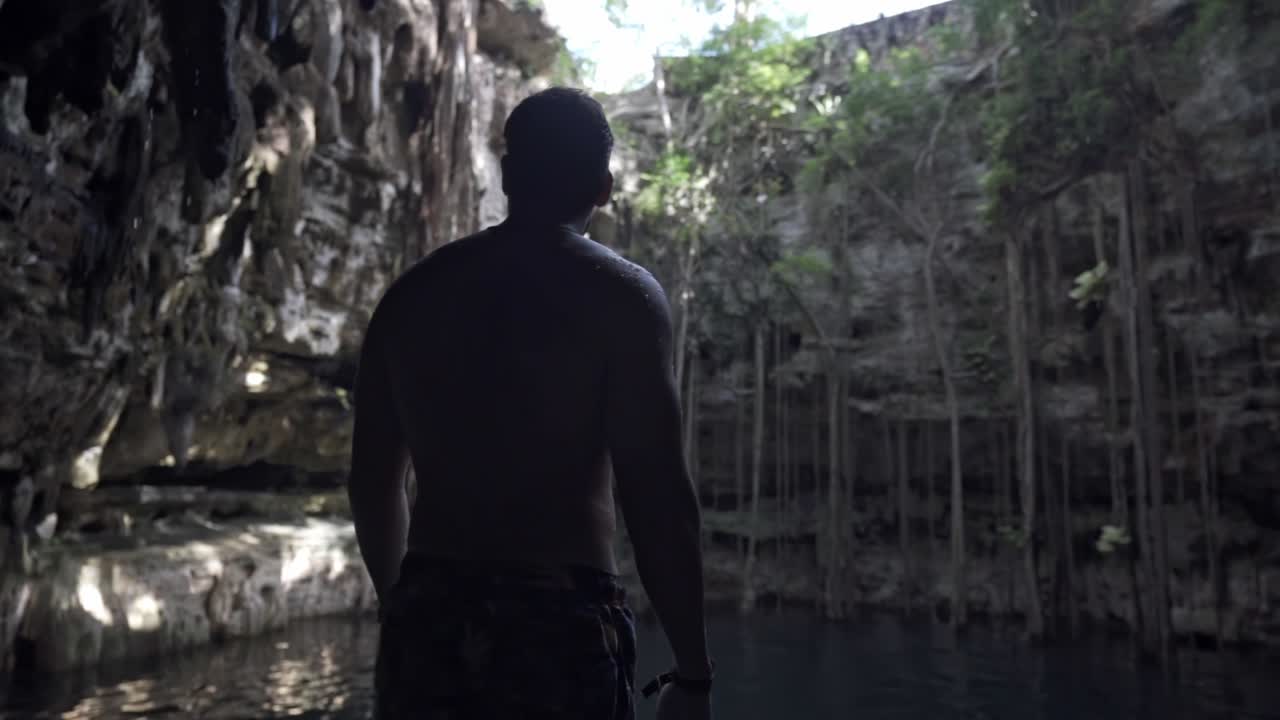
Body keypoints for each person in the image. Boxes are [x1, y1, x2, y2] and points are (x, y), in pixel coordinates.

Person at [347, 87, 714, 720]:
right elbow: (657, 497)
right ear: (603, 188)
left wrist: (404, 610)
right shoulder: (622, 298)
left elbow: (371, 483)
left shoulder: (412, 297)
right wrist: (693, 675)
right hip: (561, 618)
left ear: (508, 174)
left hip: (429, 613)